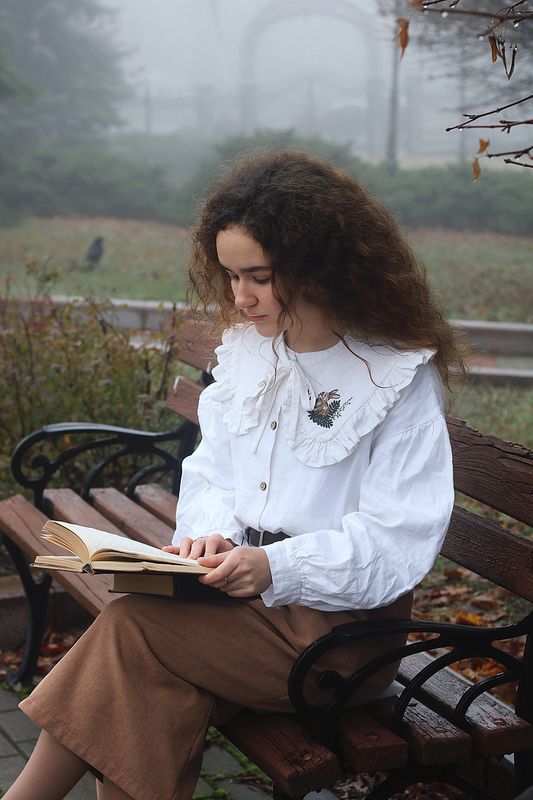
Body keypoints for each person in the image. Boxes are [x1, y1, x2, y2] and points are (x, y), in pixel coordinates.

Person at [5, 150, 463, 800]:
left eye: (257, 275)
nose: (238, 296)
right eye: (228, 274)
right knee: (143, 684)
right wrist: (211, 534)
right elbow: (213, 469)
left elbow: (397, 538)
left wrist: (277, 567)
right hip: (241, 602)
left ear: (318, 266)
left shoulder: (391, 376)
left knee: (132, 632)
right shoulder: (250, 353)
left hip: (339, 639)